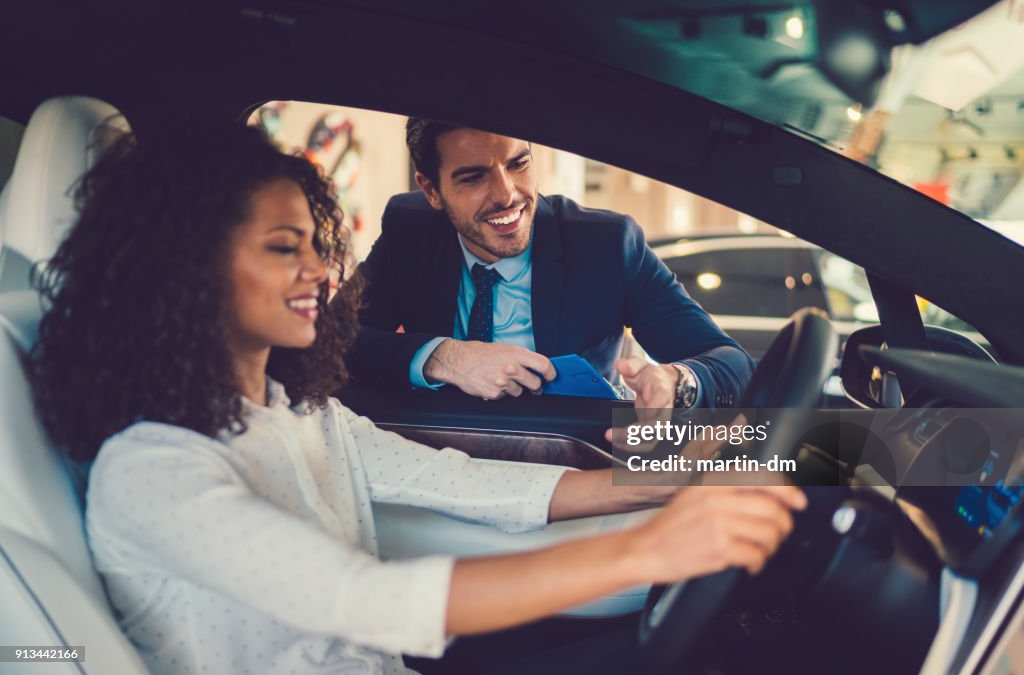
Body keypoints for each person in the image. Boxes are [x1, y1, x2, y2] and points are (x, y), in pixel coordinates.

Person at [29, 119, 804, 675]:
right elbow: (360, 597)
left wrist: (681, 471)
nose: (319, 272)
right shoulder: (152, 470)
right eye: (282, 249)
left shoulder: (296, 411)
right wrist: (649, 548)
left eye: (314, 243)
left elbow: (455, 478)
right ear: (184, 270)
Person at [345, 119, 755, 421]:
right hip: (438, 453)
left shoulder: (606, 244)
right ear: (431, 190)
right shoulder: (408, 229)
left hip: (574, 455)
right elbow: (332, 340)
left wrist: (675, 383)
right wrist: (444, 358)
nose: (507, 195)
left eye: (518, 164)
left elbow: (730, 362)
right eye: (473, 178)